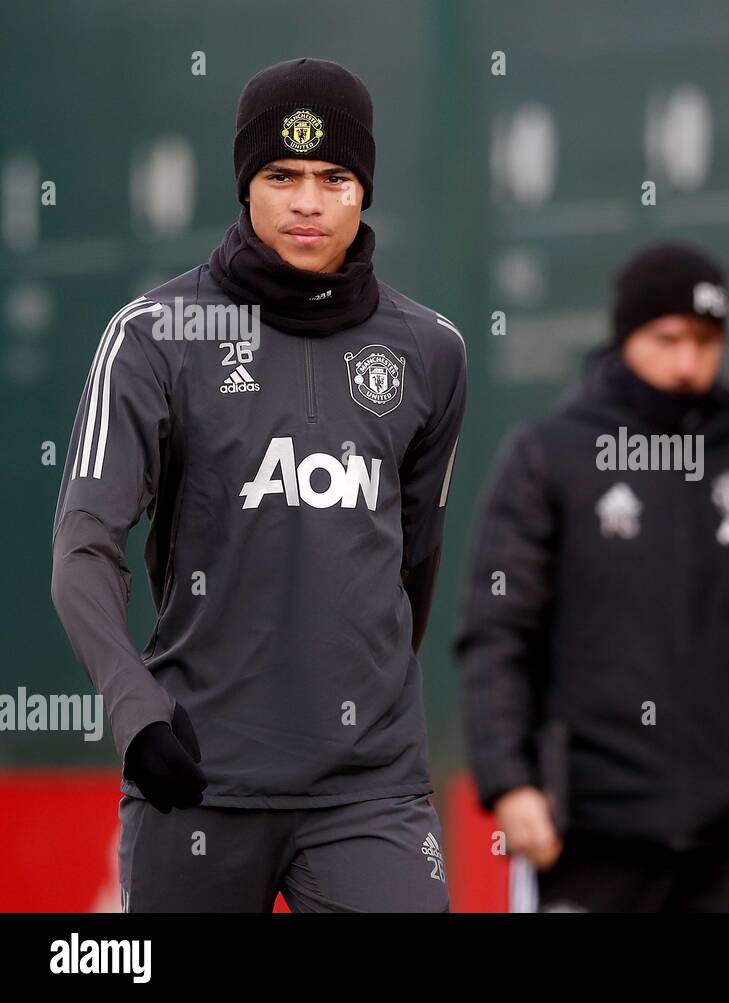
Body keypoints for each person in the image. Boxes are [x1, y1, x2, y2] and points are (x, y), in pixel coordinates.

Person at [50, 57, 466, 912]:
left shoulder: (432, 350)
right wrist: (136, 712)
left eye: (333, 177)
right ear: (246, 184)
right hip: (196, 776)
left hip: (370, 790)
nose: (308, 201)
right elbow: (83, 547)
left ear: (364, 188)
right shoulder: (153, 336)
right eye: (281, 175)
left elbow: (412, 564)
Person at [458, 241, 729, 912]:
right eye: (667, 339)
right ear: (626, 335)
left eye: (706, 341)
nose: (687, 363)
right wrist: (510, 780)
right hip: (587, 835)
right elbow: (498, 629)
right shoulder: (550, 454)